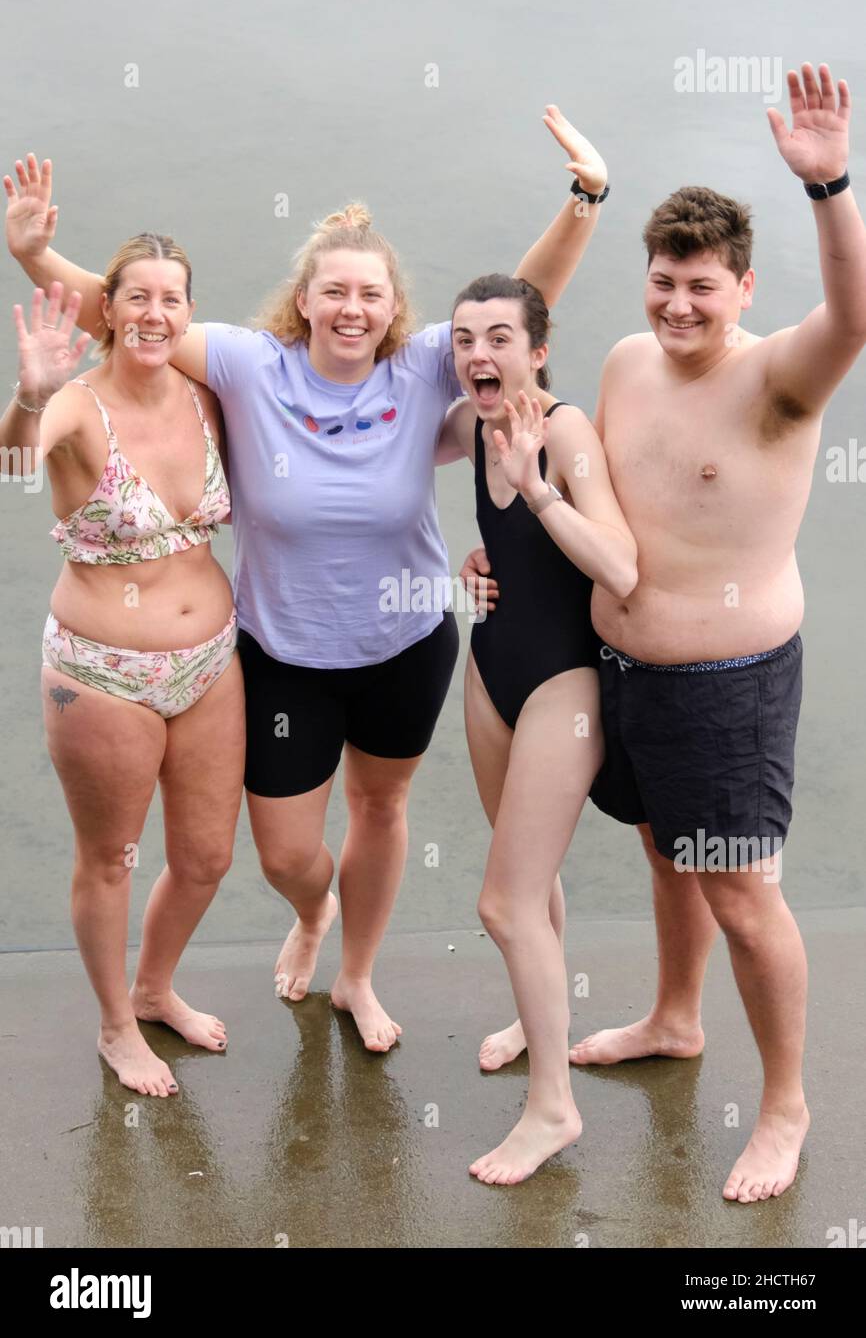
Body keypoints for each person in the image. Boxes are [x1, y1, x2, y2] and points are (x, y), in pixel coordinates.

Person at [6, 107, 609, 1053]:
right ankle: (310, 913)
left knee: (381, 808)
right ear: (306, 298)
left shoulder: (421, 371)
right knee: (289, 853)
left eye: (370, 293)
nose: (353, 308)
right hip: (280, 650)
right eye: (334, 291)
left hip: (407, 640)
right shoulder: (250, 368)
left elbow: (518, 306)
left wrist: (585, 198)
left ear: (394, 306)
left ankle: (357, 979)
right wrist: (37, 260)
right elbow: (129, 318)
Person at [462, 62, 866, 1202]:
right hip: (621, 664)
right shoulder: (627, 362)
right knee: (661, 853)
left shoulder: (780, 379)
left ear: (741, 287)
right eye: (659, 282)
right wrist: (511, 555)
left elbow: (855, 311)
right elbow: (603, 509)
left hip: (727, 679)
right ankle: (674, 1018)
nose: (674, 306)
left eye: (698, 286)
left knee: (739, 890)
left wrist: (828, 184)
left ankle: (782, 1103)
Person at [0, 241, 246, 1097]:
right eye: (135, 297)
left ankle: (155, 984)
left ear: (188, 313)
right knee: (111, 857)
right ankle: (115, 1025)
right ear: (105, 309)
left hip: (212, 662)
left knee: (208, 857)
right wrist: (27, 395)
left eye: (171, 299)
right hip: (102, 673)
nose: (153, 313)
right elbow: (15, 460)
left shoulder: (208, 393)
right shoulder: (73, 405)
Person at [435, 270, 636, 1184]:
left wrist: (540, 491)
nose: (480, 353)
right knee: (531, 880)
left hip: (566, 681)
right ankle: (536, 1014)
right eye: (465, 338)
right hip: (493, 666)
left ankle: (553, 1108)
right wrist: (479, 566)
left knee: (501, 903)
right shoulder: (478, 425)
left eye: (500, 337)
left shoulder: (564, 430)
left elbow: (622, 569)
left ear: (537, 349)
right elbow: (506, 550)